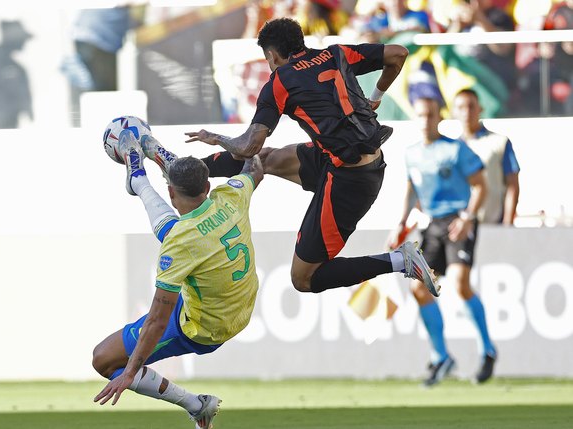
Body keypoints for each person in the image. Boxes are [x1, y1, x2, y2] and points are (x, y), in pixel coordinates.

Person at [177, 17, 440, 298]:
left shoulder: (280, 81)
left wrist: (216, 138)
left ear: (271, 55)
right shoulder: (336, 53)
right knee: (266, 160)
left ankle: (401, 260)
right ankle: (183, 168)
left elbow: (248, 145)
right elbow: (398, 53)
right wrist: (376, 96)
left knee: (303, 277)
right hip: (351, 159)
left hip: (349, 181)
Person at [92, 130, 264, 429]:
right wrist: (228, 143)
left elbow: (158, 321)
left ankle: (197, 405)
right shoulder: (232, 195)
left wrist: (131, 372)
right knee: (179, 232)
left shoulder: (178, 244)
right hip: (237, 304)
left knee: (104, 359)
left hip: (206, 326)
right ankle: (145, 176)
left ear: (171, 193)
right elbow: (255, 167)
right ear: (208, 185)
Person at [390, 96, 495, 387]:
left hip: (458, 221)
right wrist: (400, 223)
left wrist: (467, 217)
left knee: (460, 283)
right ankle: (441, 356)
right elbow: (411, 191)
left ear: (439, 117)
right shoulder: (412, 153)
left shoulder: (455, 149)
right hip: (432, 226)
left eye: (430, 115)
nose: (425, 121)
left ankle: (487, 350)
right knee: (418, 289)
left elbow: (480, 185)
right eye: (421, 116)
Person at [452, 88, 520, 225]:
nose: (466, 112)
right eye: (461, 107)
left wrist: (507, 224)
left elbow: (512, 185)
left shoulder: (499, 142)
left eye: (471, 106)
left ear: (480, 108)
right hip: (461, 228)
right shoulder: (451, 148)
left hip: (492, 224)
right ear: (453, 112)